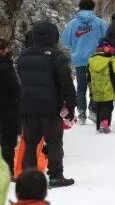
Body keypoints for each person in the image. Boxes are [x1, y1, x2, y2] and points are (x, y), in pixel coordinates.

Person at [17, 21, 76, 188]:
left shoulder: (23, 56)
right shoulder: (57, 56)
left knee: (30, 143)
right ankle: (56, 176)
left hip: (27, 107)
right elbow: (66, 84)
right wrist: (71, 105)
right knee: (54, 142)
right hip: (50, 108)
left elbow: (20, 81)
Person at [60, 0, 108, 125]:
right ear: (93, 8)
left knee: (81, 87)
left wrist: (75, 46)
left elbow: (64, 41)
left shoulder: (72, 24)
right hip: (96, 58)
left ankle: (81, 114)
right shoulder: (99, 22)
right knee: (95, 85)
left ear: (80, 8)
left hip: (79, 58)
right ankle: (93, 109)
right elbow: (107, 38)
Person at [87, 39, 115, 133]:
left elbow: (88, 76)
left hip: (96, 88)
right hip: (108, 87)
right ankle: (104, 124)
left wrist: (90, 88)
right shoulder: (111, 59)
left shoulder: (91, 59)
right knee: (108, 106)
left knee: (99, 106)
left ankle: (99, 126)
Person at [0, 37, 19, 176]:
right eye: (7, 48)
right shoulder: (6, 67)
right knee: (7, 141)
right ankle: (7, 172)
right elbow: (15, 88)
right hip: (7, 108)